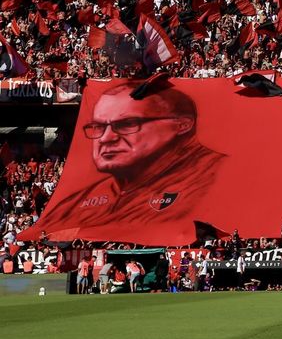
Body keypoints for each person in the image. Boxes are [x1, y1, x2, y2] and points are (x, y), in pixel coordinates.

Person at [31, 82, 226, 240]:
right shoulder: (75, 203)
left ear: (182, 125)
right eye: (98, 127)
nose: (106, 138)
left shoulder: (223, 177)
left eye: (127, 124)